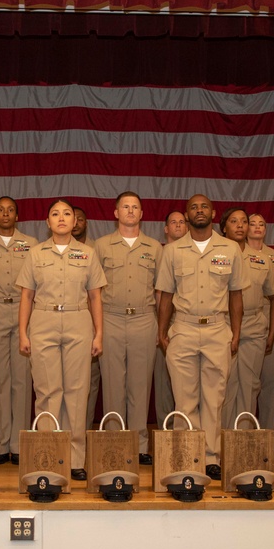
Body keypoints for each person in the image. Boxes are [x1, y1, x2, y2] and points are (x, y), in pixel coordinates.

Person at [156, 194, 249, 480]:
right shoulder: (172, 251)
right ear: (186, 215)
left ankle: (210, 457)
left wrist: (235, 333)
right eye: (194, 207)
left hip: (217, 329)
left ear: (213, 212)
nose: (199, 211)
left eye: (204, 207)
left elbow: (236, 296)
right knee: (184, 399)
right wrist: (161, 331)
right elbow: (166, 296)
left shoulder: (230, 248)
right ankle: (186, 454)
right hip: (182, 328)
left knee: (214, 398)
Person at [17, 199, 106, 481]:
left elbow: (95, 296)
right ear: (48, 222)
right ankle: (47, 453)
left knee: (77, 392)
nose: (62, 218)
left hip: (79, 321)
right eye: (55, 214)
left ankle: (75, 458)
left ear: (75, 221)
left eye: (67, 213)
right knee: (47, 391)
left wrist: (99, 332)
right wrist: (23, 332)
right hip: (43, 321)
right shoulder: (35, 253)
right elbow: (26, 296)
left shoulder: (88, 254)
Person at [94, 192, 162, 465]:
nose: (131, 211)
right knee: (112, 385)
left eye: (135, 207)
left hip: (144, 319)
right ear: (115, 212)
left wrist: (159, 324)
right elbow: (93, 291)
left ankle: (139, 444)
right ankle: (114, 442)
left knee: (140, 384)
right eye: (125, 206)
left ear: (142, 213)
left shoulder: (155, 247)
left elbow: (160, 291)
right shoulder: (100, 246)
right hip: (110, 318)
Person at [0, 196, 36, 465]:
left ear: (17, 216)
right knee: (0, 380)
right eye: (0, 210)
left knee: (22, 381)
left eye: (10, 210)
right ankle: (1, 443)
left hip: (24, 312)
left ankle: (19, 442)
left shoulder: (31, 244)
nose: (5, 214)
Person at [220, 208, 274, 429]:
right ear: (223, 226)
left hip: (254, 329)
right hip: (223, 327)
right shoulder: (216, 255)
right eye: (233, 221)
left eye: (244, 221)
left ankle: (242, 440)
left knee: (250, 386)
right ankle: (221, 440)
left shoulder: (263, 260)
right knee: (224, 386)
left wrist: (272, 334)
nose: (240, 225)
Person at [247, 213, 274, 432]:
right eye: (252, 223)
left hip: (271, 314)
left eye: (261, 224)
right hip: (247, 315)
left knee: (269, 380)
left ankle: (267, 431)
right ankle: (245, 428)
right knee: (246, 381)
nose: (257, 227)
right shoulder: (238, 253)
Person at [154, 211, 187, 427]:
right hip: (160, 321)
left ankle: (186, 429)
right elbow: (158, 292)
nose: (178, 225)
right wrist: (160, 326)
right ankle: (165, 431)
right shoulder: (158, 252)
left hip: (186, 322)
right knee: (164, 382)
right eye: (173, 222)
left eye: (181, 222)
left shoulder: (193, 253)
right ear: (166, 228)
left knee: (185, 385)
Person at [72, 205, 102, 429]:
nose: (76, 223)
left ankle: (84, 429)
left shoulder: (96, 250)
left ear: (85, 223)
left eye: (80, 219)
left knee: (88, 382)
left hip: (94, 323)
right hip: (66, 323)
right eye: (74, 219)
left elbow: (97, 294)